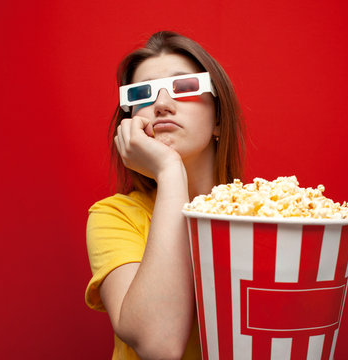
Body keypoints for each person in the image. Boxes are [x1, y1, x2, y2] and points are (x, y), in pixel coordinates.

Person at [85, 31, 245, 360]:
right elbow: (159, 345)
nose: (160, 104)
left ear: (218, 118)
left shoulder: (259, 216)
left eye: (184, 87)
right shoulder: (113, 217)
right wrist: (170, 171)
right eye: (142, 94)